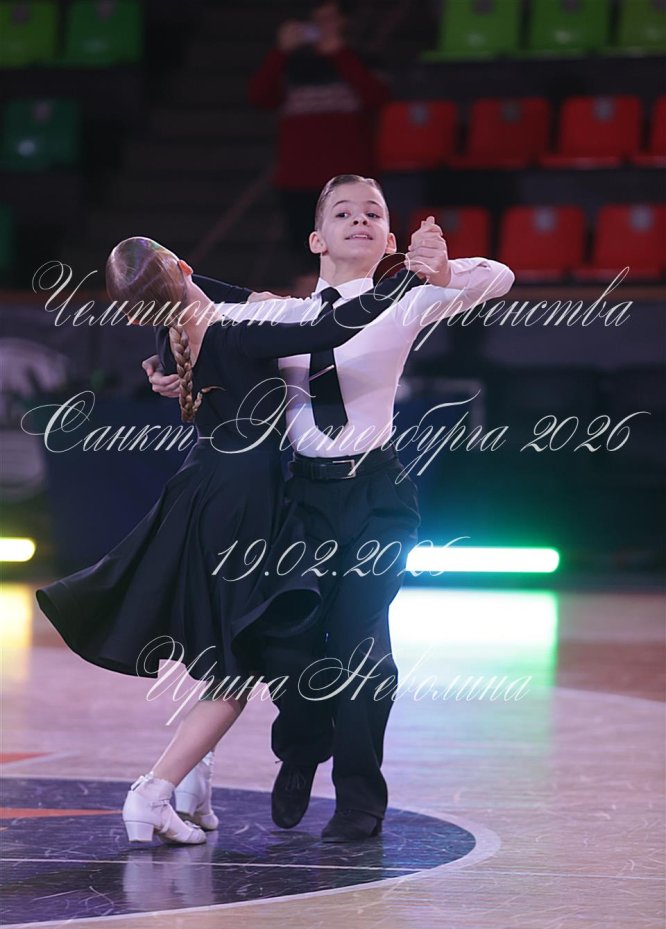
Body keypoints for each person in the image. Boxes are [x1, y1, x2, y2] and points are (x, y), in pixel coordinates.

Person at [145, 174, 515, 841]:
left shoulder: (406, 299)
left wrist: (441, 269)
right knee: (287, 643)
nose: (360, 219)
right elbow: (192, 315)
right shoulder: (279, 314)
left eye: (374, 212)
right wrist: (168, 367)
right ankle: (302, 744)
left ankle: (359, 796)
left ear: (390, 239)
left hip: (377, 495)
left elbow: (501, 275)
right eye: (342, 212)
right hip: (302, 497)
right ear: (317, 238)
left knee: (362, 646)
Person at [36, 235, 425, 846]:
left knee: (231, 646)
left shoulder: (176, 333)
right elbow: (331, 327)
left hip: (205, 489)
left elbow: (204, 297)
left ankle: (194, 782)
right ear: (185, 268)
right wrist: (407, 280)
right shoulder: (234, 333)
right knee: (239, 663)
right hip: (243, 502)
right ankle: (155, 792)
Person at [248, 1, 389, 288]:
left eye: (330, 20)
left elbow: (377, 96)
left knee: (356, 260)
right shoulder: (293, 62)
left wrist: (339, 53)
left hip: (349, 179)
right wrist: (280, 52)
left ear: (346, 23)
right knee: (306, 264)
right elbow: (260, 96)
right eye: (317, 21)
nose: (323, 27)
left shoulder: (363, 58)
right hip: (297, 177)